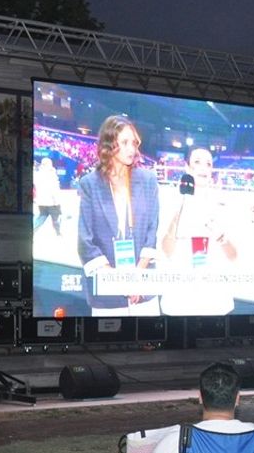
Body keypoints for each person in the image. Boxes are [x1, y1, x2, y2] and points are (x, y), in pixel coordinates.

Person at [76, 115, 160, 315]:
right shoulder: (90, 184)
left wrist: (136, 279)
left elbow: (151, 231)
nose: (132, 149)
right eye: (124, 143)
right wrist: (118, 282)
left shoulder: (148, 180)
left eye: (134, 142)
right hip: (108, 294)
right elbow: (85, 242)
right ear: (109, 144)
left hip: (143, 290)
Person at [159, 147, 239, 316]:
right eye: (197, 162)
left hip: (215, 302)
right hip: (179, 301)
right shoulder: (171, 200)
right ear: (187, 167)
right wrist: (178, 213)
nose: (203, 167)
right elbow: (166, 250)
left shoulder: (225, 204)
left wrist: (221, 237)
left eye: (208, 163)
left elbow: (233, 255)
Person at [33, 156, 64, 235]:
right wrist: (56, 201)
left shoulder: (37, 174)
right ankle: (58, 233)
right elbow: (54, 189)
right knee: (56, 218)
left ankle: (32, 230)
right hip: (52, 201)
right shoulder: (51, 174)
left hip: (41, 201)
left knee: (42, 217)